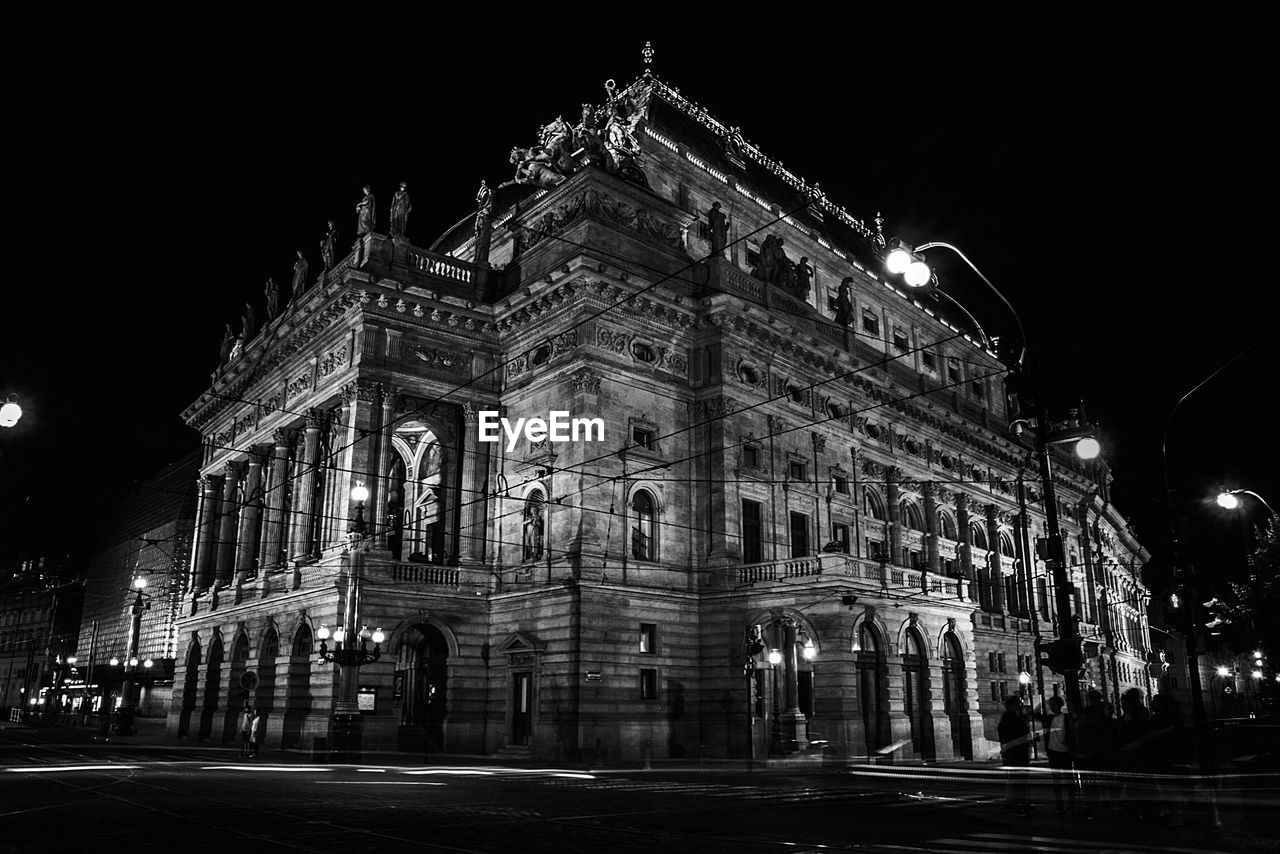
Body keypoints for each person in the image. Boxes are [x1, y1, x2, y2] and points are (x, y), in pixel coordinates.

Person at [998, 695, 1032, 813]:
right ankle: (1018, 801)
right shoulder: (1011, 718)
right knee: (1017, 778)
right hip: (1016, 752)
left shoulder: (1012, 717)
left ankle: (1015, 801)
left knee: (1015, 778)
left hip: (1015, 751)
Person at [1043, 696, 1076, 813]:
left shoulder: (1066, 718)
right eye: (1050, 704)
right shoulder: (1049, 718)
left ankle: (1071, 804)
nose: (1051, 706)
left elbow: (1072, 733)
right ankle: (1059, 804)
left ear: (1059, 705)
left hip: (1065, 752)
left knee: (1069, 780)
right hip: (1053, 752)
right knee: (1056, 780)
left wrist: (1070, 747)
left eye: (1053, 704)